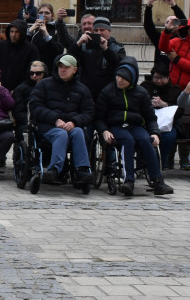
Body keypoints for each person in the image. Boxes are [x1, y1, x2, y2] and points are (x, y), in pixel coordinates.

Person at [95, 57, 173, 197]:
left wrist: (155, 133)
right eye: (118, 76)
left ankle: (158, 181)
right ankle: (128, 180)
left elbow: (150, 118)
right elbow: (99, 117)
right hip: (116, 126)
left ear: (132, 78)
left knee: (146, 140)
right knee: (128, 140)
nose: (120, 80)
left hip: (136, 126)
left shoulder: (141, 93)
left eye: (124, 78)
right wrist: (104, 131)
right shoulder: (107, 91)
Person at [28, 54, 95, 185]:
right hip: (47, 126)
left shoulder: (82, 89)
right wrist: (55, 119)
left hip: (71, 125)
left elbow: (88, 112)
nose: (62, 70)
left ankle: (82, 169)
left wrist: (74, 122)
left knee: (78, 132)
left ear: (74, 70)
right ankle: (54, 169)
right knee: (61, 134)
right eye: (60, 67)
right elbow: (35, 106)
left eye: (66, 67)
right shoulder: (44, 85)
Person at [68, 16, 126, 102]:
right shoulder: (85, 46)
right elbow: (69, 59)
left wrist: (106, 50)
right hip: (86, 92)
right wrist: (78, 44)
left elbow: (118, 64)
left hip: (108, 93)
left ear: (109, 31)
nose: (99, 33)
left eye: (102, 30)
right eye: (96, 30)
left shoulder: (117, 48)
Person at [140, 57, 183, 170]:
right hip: (148, 122)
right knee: (142, 136)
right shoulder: (145, 87)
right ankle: (142, 164)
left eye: (162, 78)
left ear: (168, 78)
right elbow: (137, 103)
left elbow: (180, 111)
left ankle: (159, 164)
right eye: (156, 78)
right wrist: (149, 103)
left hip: (167, 124)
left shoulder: (175, 90)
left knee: (170, 136)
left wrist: (165, 104)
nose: (159, 81)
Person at [0, 19, 39, 92]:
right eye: (11, 31)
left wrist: (19, 89)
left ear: (22, 33)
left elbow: (31, 73)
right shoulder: (1, 46)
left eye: (17, 32)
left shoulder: (31, 49)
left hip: (21, 90)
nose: (13, 35)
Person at [12, 60, 46, 133]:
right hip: (26, 124)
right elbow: (18, 112)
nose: (34, 75)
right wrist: (31, 122)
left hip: (47, 122)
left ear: (44, 74)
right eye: (31, 73)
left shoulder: (49, 87)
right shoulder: (20, 89)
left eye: (38, 73)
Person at [27, 3, 64, 70]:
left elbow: (58, 51)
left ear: (52, 15)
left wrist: (46, 34)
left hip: (50, 68)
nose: (43, 15)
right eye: (41, 13)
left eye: (47, 13)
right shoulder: (35, 29)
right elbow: (25, 47)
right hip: (34, 69)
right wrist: (29, 32)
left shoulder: (57, 29)